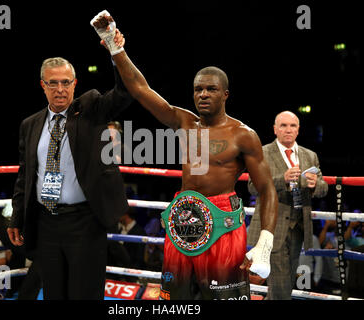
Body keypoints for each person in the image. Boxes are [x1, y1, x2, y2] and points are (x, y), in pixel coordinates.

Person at [91, 11, 278, 300]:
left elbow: (267, 190)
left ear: (225, 94)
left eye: (211, 89)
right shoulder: (185, 122)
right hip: (183, 220)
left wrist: (265, 242)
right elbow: (141, 90)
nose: (203, 94)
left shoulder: (243, 135)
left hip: (222, 226)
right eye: (198, 89)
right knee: (175, 299)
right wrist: (116, 48)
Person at [7, 52, 133, 299]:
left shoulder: (91, 111)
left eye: (66, 82)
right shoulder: (30, 124)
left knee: (84, 294)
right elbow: (26, 175)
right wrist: (17, 217)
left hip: (85, 222)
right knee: (54, 293)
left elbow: (124, 92)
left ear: (75, 84)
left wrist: (115, 53)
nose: (60, 89)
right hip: (46, 223)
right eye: (53, 83)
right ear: (43, 85)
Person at [247, 111, 328, 300]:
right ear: (275, 129)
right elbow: (252, 186)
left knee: (287, 280)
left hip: (299, 226)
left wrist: (315, 184)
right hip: (272, 226)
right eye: (283, 126)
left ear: (298, 130)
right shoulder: (263, 152)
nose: (288, 130)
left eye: (292, 126)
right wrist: (281, 180)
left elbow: (324, 188)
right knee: (281, 282)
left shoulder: (310, 156)